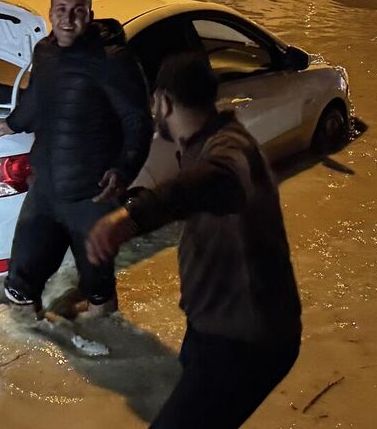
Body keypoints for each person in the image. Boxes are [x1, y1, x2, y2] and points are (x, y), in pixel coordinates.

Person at [87, 53, 302, 429]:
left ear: (163, 102)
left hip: (244, 342)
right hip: (213, 331)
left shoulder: (229, 149)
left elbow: (221, 180)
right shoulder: (203, 145)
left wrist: (131, 217)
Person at [0, 0, 151, 317]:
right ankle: (30, 355)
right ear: (50, 15)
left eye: (77, 11)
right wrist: (13, 123)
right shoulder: (45, 52)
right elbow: (37, 97)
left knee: (98, 290)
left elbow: (138, 121)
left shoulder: (112, 60)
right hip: (46, 188)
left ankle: (103, 352)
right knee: (20, 282)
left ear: (90, 16)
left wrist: (124, 169)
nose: (68, 19)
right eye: (61, 11)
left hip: (91, 196)